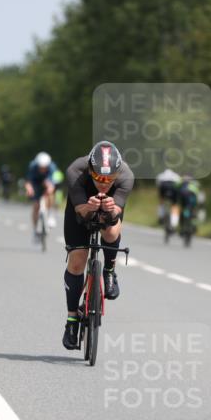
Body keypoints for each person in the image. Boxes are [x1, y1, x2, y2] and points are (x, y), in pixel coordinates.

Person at [61, 141, 134, 350]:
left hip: (109, 210)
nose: (104, 183)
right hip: (81, 206)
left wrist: (110, 210)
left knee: (110, 231)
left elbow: (116, 215)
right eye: (99, 178)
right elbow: (82, 213)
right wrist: (89, 208)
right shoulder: (77, 170)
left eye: (109, 179)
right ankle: (72, 320)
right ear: (91, 171)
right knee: (77, 261)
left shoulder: (126, 176)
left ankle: (109, 270)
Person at [25, 151, 58, 237]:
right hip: (36, 184)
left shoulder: (52, 167)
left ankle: (51, 215)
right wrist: (29, 188)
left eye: (44, 167)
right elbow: (28, 181)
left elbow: (52, 182)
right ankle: (35, 229)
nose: (42, 169)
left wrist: (50, 188)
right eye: (41, 167)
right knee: (36, 206)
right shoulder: (32, 166)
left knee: (51, 194)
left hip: (47, 182)